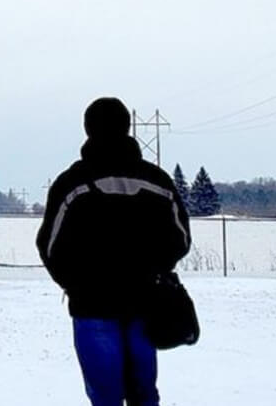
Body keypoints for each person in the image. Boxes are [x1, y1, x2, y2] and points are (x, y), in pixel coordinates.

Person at [37, 97, 192, 406]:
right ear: (127, 126)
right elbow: (181, 238)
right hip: (147, 303)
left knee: (104, 397)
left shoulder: (72, 183)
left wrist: (75, 283)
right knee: (144, 394)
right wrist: (155, 270)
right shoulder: (156, 181)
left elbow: (49, 245)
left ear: (87, 128)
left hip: (91, 304)